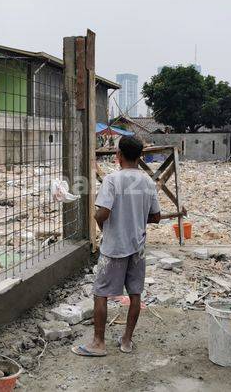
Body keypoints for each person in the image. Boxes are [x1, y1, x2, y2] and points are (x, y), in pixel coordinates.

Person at [72, 136, 161, 357]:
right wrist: (136, 219)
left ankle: (99, 343)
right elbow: (156, 216)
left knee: (100, 293)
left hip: (114, 247)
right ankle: (127, 341)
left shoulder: (112, 180)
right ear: (140, 157)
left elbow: (103, 212)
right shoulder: (148, 181)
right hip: (137, 246)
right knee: (135, 293)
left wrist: (98, 220)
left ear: (118, 156)